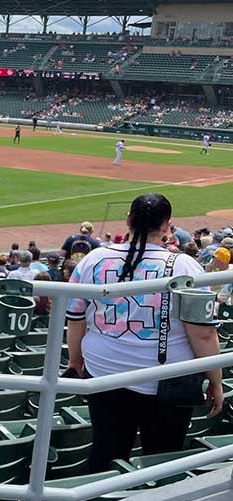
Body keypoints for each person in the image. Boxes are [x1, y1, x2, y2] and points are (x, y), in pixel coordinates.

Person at [65, 193, 223, 472]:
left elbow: (75, 319)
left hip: (103, 374)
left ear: (128, 220)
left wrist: (75, 361)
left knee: (106, 450)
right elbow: (204, 335)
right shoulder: (185, 266)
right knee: (162, 457)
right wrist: (215, 380)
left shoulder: (94, 259)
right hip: (165, 381)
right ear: (167, 227)